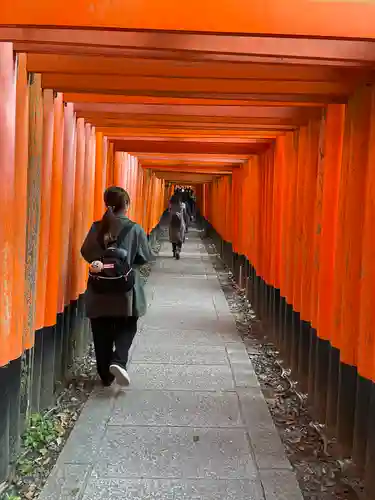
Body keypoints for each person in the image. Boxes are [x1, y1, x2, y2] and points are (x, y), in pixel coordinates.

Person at [81, 186, 153, 387]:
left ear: (107, 204)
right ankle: (119, 360)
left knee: (101, 328)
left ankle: (105, 374)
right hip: (126, 290)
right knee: (128, 323)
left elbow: (86, 252)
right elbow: (145, 257)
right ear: (126, 205)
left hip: (100, 288)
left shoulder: (97, 227)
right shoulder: (135, 229)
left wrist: (103, 264)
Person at [168, 193, 187, 260]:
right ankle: (178, 250)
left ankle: (174, 251)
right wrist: (186, 224)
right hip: (181, 224)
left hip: (172, 224)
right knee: (180, 238)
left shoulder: (170, 205)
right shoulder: (182, 205)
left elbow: (169, 214)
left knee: (173, 238)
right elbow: (185, 215)